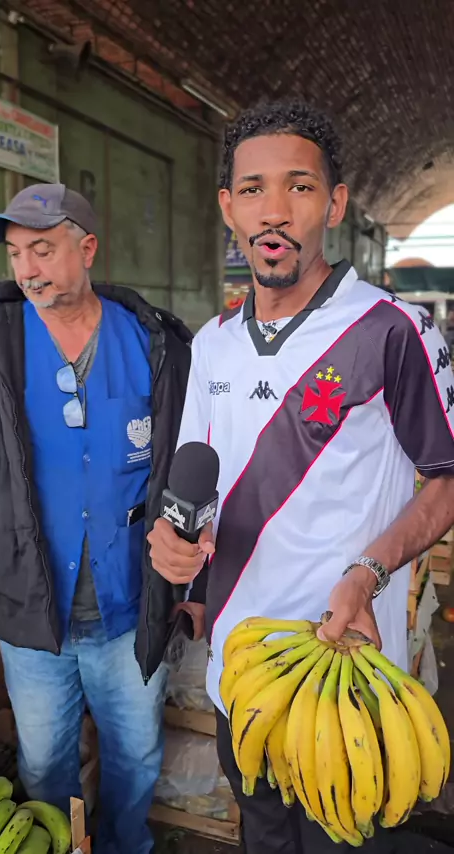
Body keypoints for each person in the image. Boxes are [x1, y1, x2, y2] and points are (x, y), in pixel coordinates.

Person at [147, 99, 454, 854]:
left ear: (335, 205)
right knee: (263, 837)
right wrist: (178, 552)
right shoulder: (212, 344)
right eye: (253, 189)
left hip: (344, 680)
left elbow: (446, 479)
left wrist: (368, 572)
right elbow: (199, 486)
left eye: (300, 186)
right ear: (229, 207)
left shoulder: (392, 331)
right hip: (242, 677)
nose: (274, 210)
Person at [0, 183, 195, 854]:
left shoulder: (154, 343)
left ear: (87, 248)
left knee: (136, 755)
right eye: (16, 254)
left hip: (128, 606)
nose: (27, 269)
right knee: (44, 763)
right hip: (32, 606)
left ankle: (126, 846)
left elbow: (190, 459)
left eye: (42, 250)